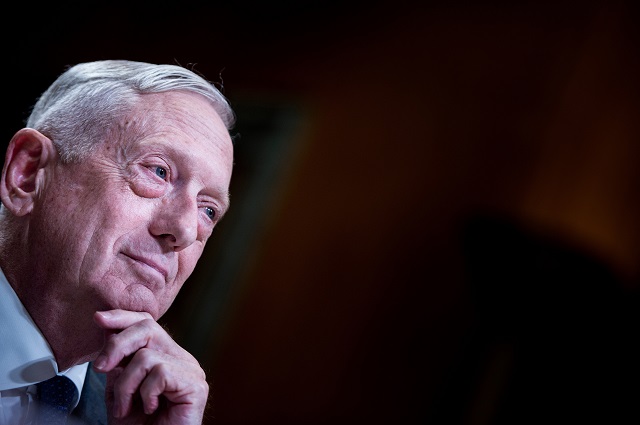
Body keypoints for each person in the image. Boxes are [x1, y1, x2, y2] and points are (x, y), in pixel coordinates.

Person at [0, 60, 235, 424]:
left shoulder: (137, 413)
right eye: (158, 172)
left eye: (208, 210)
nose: (185, 230)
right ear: (29, 173)